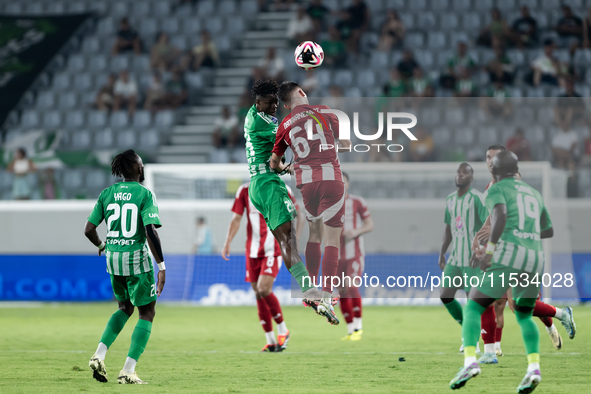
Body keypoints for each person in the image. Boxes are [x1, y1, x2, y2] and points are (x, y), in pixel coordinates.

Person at [450, 150, 555, 392]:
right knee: (524, 314)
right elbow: (548, 231)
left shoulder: (495, 188)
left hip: (509, 255)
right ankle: (533, 368)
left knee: (474, 306)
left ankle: (469, 362)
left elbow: (499, 215)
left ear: (495, 171)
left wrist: (489, 252)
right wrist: (525, 234)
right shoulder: (534, 193)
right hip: (535, 258)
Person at [471, 145, 577, 362]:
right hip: (512, 253)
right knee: (505, 303)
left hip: (515, 252)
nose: (491, 161)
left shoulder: (513, 186)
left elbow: (510, 220)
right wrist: (479, 237)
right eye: (487, 157)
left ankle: (555, 318)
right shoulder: (491, 187)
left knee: (503, 303)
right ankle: (494, 350)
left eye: (495, 157)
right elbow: (493, 219)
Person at [243, 79, 335, 324]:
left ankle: (310, 291)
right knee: (288, 239)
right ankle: (309, 291)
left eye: (276, 102)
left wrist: (286, 168)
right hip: (266, 184)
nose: (274, 106)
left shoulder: (255, 116)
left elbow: (272, 155)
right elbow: (292, 134)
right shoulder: (260, 121)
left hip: (262, 182)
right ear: (258, 101)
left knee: (288, 237)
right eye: (270, 102)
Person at [271, 81, 353, 324]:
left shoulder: (284, 124)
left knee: (314, 235)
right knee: (332, 239)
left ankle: (312, 292)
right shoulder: (326, 111)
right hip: (331, 178)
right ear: (302, 93)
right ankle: (326, 297)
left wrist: (289, 166)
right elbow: (347, 146)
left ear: (286, 105)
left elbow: (274, 164)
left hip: (306, 183)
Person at [85, 150, 165, 384]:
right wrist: (161, 265)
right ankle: (128, 371)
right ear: (138, 169)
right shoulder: (145, 194)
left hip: (113, 258)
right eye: (141, 164)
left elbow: (88, 229)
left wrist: (102, 244)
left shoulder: (107, 193)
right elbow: (150, 230)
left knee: (124, 308)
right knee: (147, 312)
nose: (142, 167)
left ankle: (99, 354)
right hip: (136, 260)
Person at [221, 182, 303, 352]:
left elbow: (297, 214)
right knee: (258, 293)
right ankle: (271, 341)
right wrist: (227, 240)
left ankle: (283, 329)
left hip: (273, 248)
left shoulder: (281, 188)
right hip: (252, 251)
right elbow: (236, 218)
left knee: (263, 288)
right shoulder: (244, 190)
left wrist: (294, 240)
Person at [439, 163, 488, 352]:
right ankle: (468, 330)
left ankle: (472, 341)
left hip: (472, 258)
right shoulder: (450, 199)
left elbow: (487, 226)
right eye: (459, 172)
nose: (460, 175)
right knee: (445, 295)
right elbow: (448, 229)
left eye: (465, 172)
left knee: (471, 301)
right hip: (455, 258)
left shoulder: (477, 198)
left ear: (471, 177)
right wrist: (442, 251)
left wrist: (481, 250)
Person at [338, 172, 373, 341]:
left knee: (351, 286)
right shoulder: (327, 204)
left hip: (355, 253)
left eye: (342, 181)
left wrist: (356, 231)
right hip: (335, 255)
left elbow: (369, 224)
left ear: (348, 184)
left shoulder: (357, 202)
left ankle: (359, 326)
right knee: (342, 291)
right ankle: (351, 330)